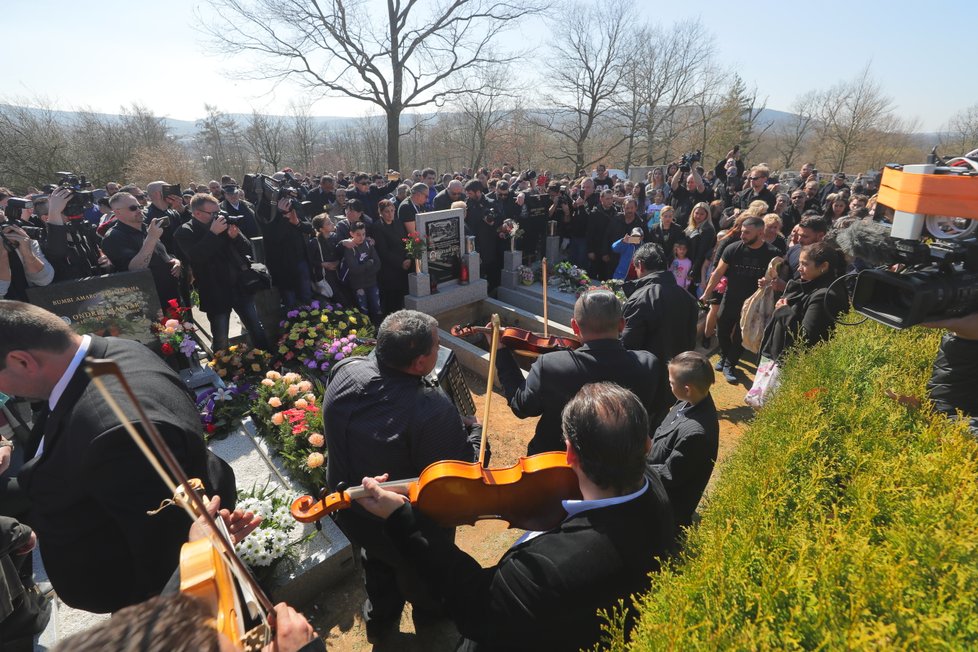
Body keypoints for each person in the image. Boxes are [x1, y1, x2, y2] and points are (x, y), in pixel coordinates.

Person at [355, 382, 676, 651]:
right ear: (646, 444)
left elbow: (474, 604)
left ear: (570, 453)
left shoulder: (546, 570)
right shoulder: (658, 489)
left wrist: (403, 519)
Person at [0, 301, 235, 613]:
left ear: (21, 361)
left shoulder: (116, 435)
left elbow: (165, 555)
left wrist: (151, 627)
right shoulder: (114, 350)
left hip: (143, 602)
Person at [322, 310, 482, 637]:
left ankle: (380, 626)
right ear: (420, 363)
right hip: (404, 526)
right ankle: (432, 623)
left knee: (377, 569)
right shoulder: (431, 410)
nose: (440, 351)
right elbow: (457, 476)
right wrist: (477, 435)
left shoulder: (344, 369)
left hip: (354, 510)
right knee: (423, 580)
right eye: (437, 346)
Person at [494, 289, 661, 455]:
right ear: (622, 325)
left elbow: (522, 407)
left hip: (556, 463)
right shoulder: (648, 364)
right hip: (617, 466)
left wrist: (501, 352)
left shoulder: (551, 366)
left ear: (574, 326)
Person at [175, 193, 268, 352]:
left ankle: (268, 357)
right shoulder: (184, 231)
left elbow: (246, 248)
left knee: (255, 326)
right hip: (214, 290)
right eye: (213, 213)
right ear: (197, 213)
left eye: (218, 212)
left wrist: (235, 237)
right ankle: (223, 370)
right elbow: (196, 257)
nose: (218, 216)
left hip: (239, 286)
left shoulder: (223, 222)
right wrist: (212, 233)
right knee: (220, 336)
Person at [700, 216, 780, 383]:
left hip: (753, 303)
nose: (742, 235)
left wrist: (768, 282)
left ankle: (730, 364)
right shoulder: (732, 248)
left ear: (760, 232)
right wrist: (707, 293)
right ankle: (723, 355)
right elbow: (718, 273)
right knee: (721, 328)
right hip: (730, 297)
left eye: (747, 233)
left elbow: (778, 279)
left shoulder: (772, 253)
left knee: (740, 335)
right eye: (742, 231)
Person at [648, 352, 719, 529]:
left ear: (687, 389)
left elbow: (669, 476)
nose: (669, 385)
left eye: (672, 382)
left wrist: (632, 467)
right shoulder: (687, 402)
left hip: (666, 509)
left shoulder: (696, 434)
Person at [759, 242, 848, 363]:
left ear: (824, 266)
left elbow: (806, 338)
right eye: (800, 263)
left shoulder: (825, 296)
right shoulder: (810, 283)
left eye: (804, 264)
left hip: (789, 365)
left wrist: (783, 311)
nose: (799, 268)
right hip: (778, 357)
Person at [100, 192, 183, 306]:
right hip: (150, 303)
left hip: (171, 295)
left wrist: (175, 261)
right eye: (133, 208)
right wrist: (152, 238)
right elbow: (134, 269)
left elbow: (160, 254)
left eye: (139, 206)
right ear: (117, 212)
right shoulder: (114, 237)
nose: (139, 210)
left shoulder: (145, 227)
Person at [341, 222, 382, 324]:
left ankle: (378, 327)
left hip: (372, 282)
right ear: (351, 234)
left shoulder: (368, 244)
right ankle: (367, 329)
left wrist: (366, 269)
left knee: (376, 306)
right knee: (363, 309)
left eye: (363, 234)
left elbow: (377, 263)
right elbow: (354, 269)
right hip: (358, 285)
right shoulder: (350, 248)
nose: (361, 237)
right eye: (358, 234)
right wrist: (368, 263)